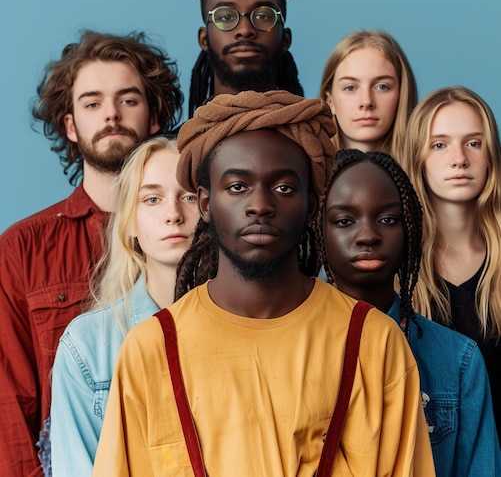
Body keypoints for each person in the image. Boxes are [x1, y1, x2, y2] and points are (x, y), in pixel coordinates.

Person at [93, 90, 435, 476]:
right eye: (237, 186)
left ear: (312, 202)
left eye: (284, 188)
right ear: (205, 203)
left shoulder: (374, 341)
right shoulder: (150, 350)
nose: (260, 205)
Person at [0, 31, 183, 477]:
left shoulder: (196, 235)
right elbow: (10, 401)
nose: (111, 115)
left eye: (128, 100)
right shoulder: (22, 248)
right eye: (92, 102)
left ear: (155, 115)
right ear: (70, 125)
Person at [322, 148, 501, 476]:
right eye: (345, 221)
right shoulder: (291, 346)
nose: (368, 236)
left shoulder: (459, 361)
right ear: (320, 231)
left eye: (388, 219)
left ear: (411, 230)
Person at [50, 136, 199, 477]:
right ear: (130, 222)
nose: (173, 214)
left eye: (188, 196)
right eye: (152, 199)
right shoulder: (86, 346)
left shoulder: (245, 325)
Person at [402, 85, 501, 441]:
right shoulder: (397, 267)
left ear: (491, 154)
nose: (459, 159)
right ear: (418, 158)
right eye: (439, 145)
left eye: (473, 143)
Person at [188, 0, 304, 116]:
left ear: (285, 39)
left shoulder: (313, 135)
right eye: (226, 17)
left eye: (263, 16)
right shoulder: (179, 141)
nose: (245, 30)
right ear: (204, 39)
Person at [319, 29, 417, 159]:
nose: (366, 101)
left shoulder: (432, 174)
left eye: (382, 87)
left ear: (402, 95)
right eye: (350, 88)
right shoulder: (303, 173)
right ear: (329, 101)